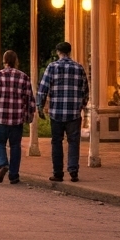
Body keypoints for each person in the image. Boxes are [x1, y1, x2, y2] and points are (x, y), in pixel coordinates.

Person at [36, 41, 88, 182]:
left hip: (56, 112)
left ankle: (58, 173)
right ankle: (73, 170)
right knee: (73, 142)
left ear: (58, 52)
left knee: (56, 142)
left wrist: (39, 106)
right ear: (70, 52)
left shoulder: (52, 67)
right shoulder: (79, 68)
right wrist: (81, 105)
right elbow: (85, 91)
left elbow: (43, 88)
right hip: (74, 113)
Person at [0, 50, 35, 184]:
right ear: (16, 61)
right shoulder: (23, 77)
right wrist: (29, 115)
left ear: (4, 61)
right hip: (17, 118)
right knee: (15, 146)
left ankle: (3, 164)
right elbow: (29, 99)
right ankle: (14, 175)